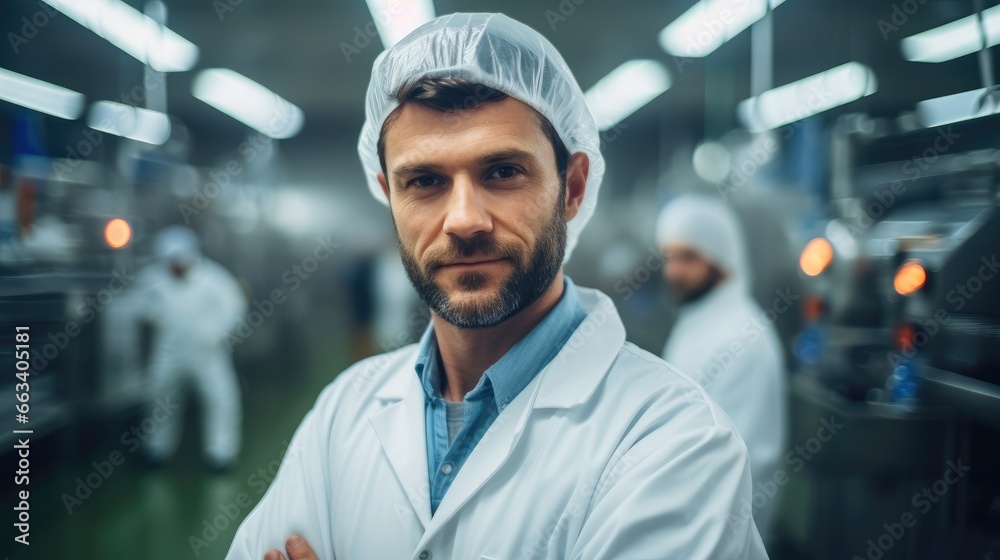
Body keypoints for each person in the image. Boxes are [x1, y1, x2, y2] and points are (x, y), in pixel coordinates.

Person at [226, 13, 768, 560]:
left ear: (572, 188)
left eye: (503, 172)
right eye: (425, 181)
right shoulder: (344, 411)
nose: (464, 220)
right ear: (388, 194)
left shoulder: (674, 444)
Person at [656, 194, 787, 540]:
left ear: (723, 260)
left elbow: (736, 461)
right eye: (669, 257)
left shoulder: (741, 336)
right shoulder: (699, 320)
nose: (673, 271)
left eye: (688, 258)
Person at [134, 225, 247, 471]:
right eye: (171, 262)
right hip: (169, 351)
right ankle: (156, 450)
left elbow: (236, 309)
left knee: (221, 400)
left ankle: (221, 454)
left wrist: (219, 334)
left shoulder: (215, 279)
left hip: (208, 351)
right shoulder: (154, 279)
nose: (176, 266)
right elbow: (140, 306)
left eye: (181, 260)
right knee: (160, 401)